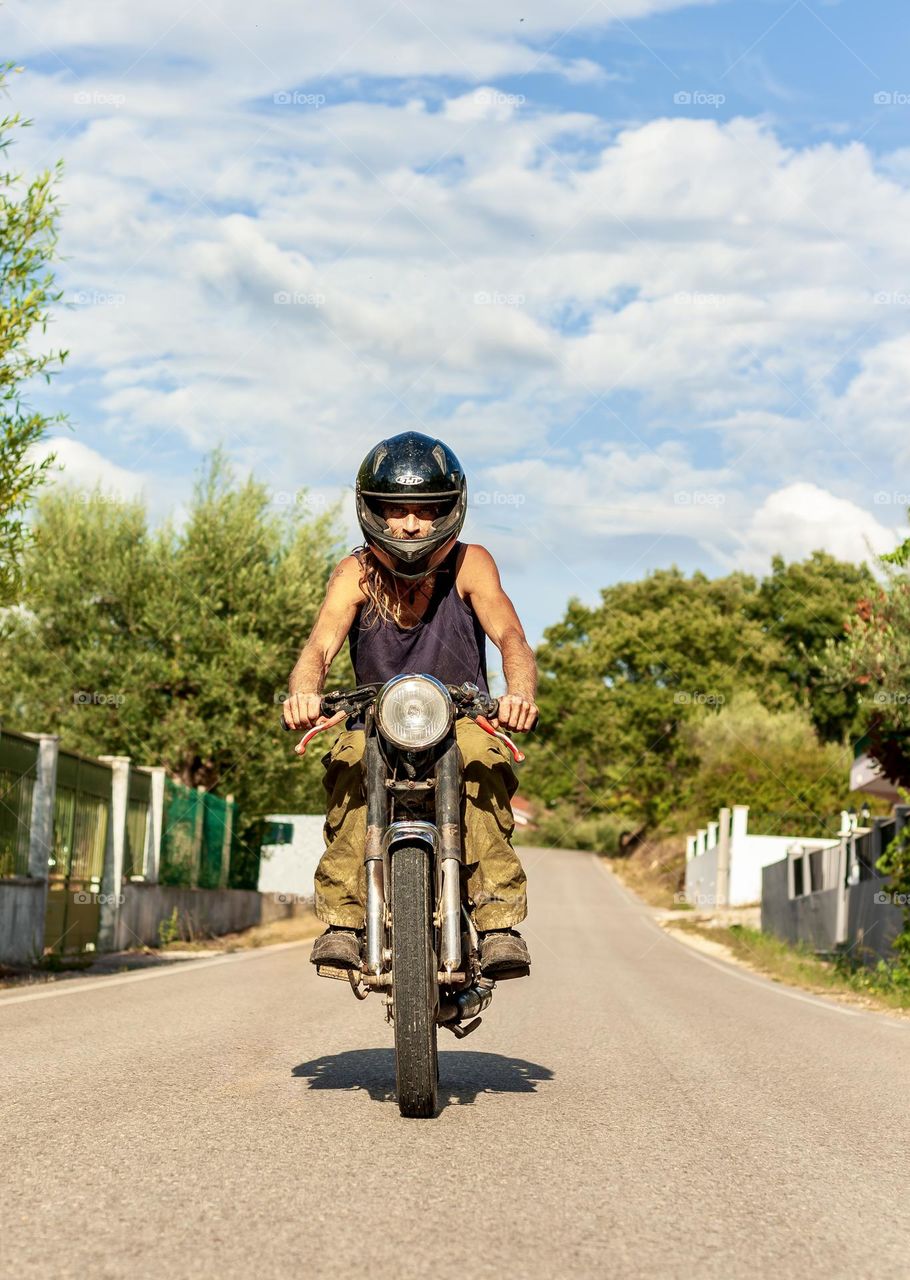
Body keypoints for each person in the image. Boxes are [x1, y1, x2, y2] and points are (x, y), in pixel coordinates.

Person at [282, 430, 538, 976]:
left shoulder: (472, 563)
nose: (410, 525)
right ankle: (345, 921)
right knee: (350, 766)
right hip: (373, 718)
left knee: (483, 766)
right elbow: (321, 642)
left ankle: (498, 922)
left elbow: (511, 636)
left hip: (462, 716)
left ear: (449, 510)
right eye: (395, 510)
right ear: (372, 511)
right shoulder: (354, 571)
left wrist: (519, 694)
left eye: (425, 510)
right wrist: (304, 690)